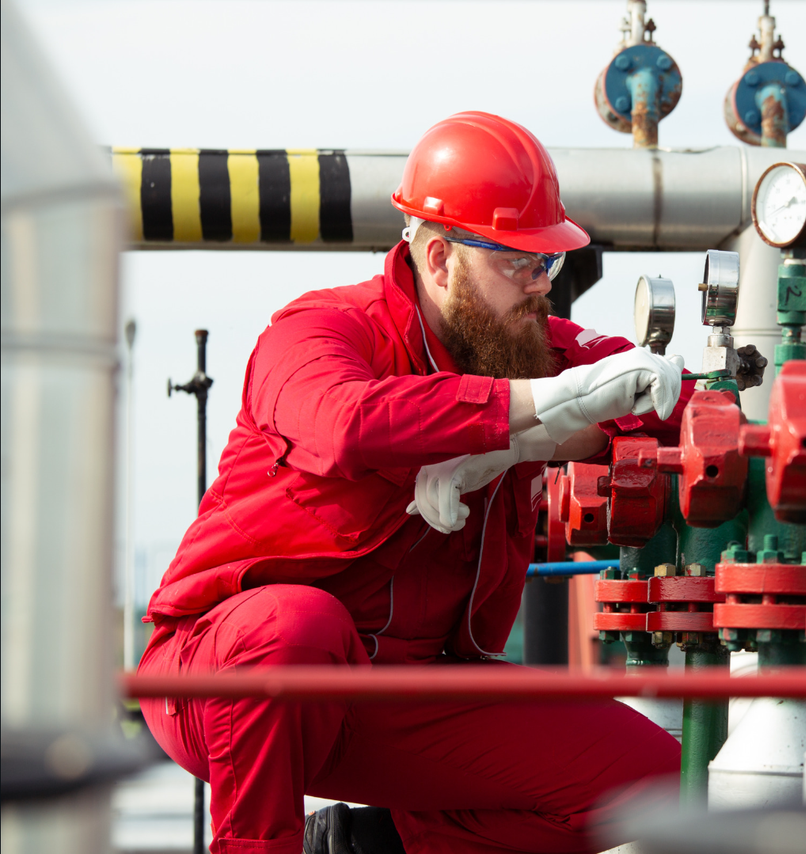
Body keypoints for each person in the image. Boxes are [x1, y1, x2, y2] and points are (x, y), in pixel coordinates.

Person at [138, 112, 713, 854]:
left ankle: (381, 846)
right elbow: (348, 425)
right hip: (225, 681)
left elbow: (679, 405)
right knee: (292, 629)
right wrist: (528, 414)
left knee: (661, 786)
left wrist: (529, 436)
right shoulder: (318, 333)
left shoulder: (528, 348)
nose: (542, 287)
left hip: (407, 689)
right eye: (519, 263)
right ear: (440, 258)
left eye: (550, 264)